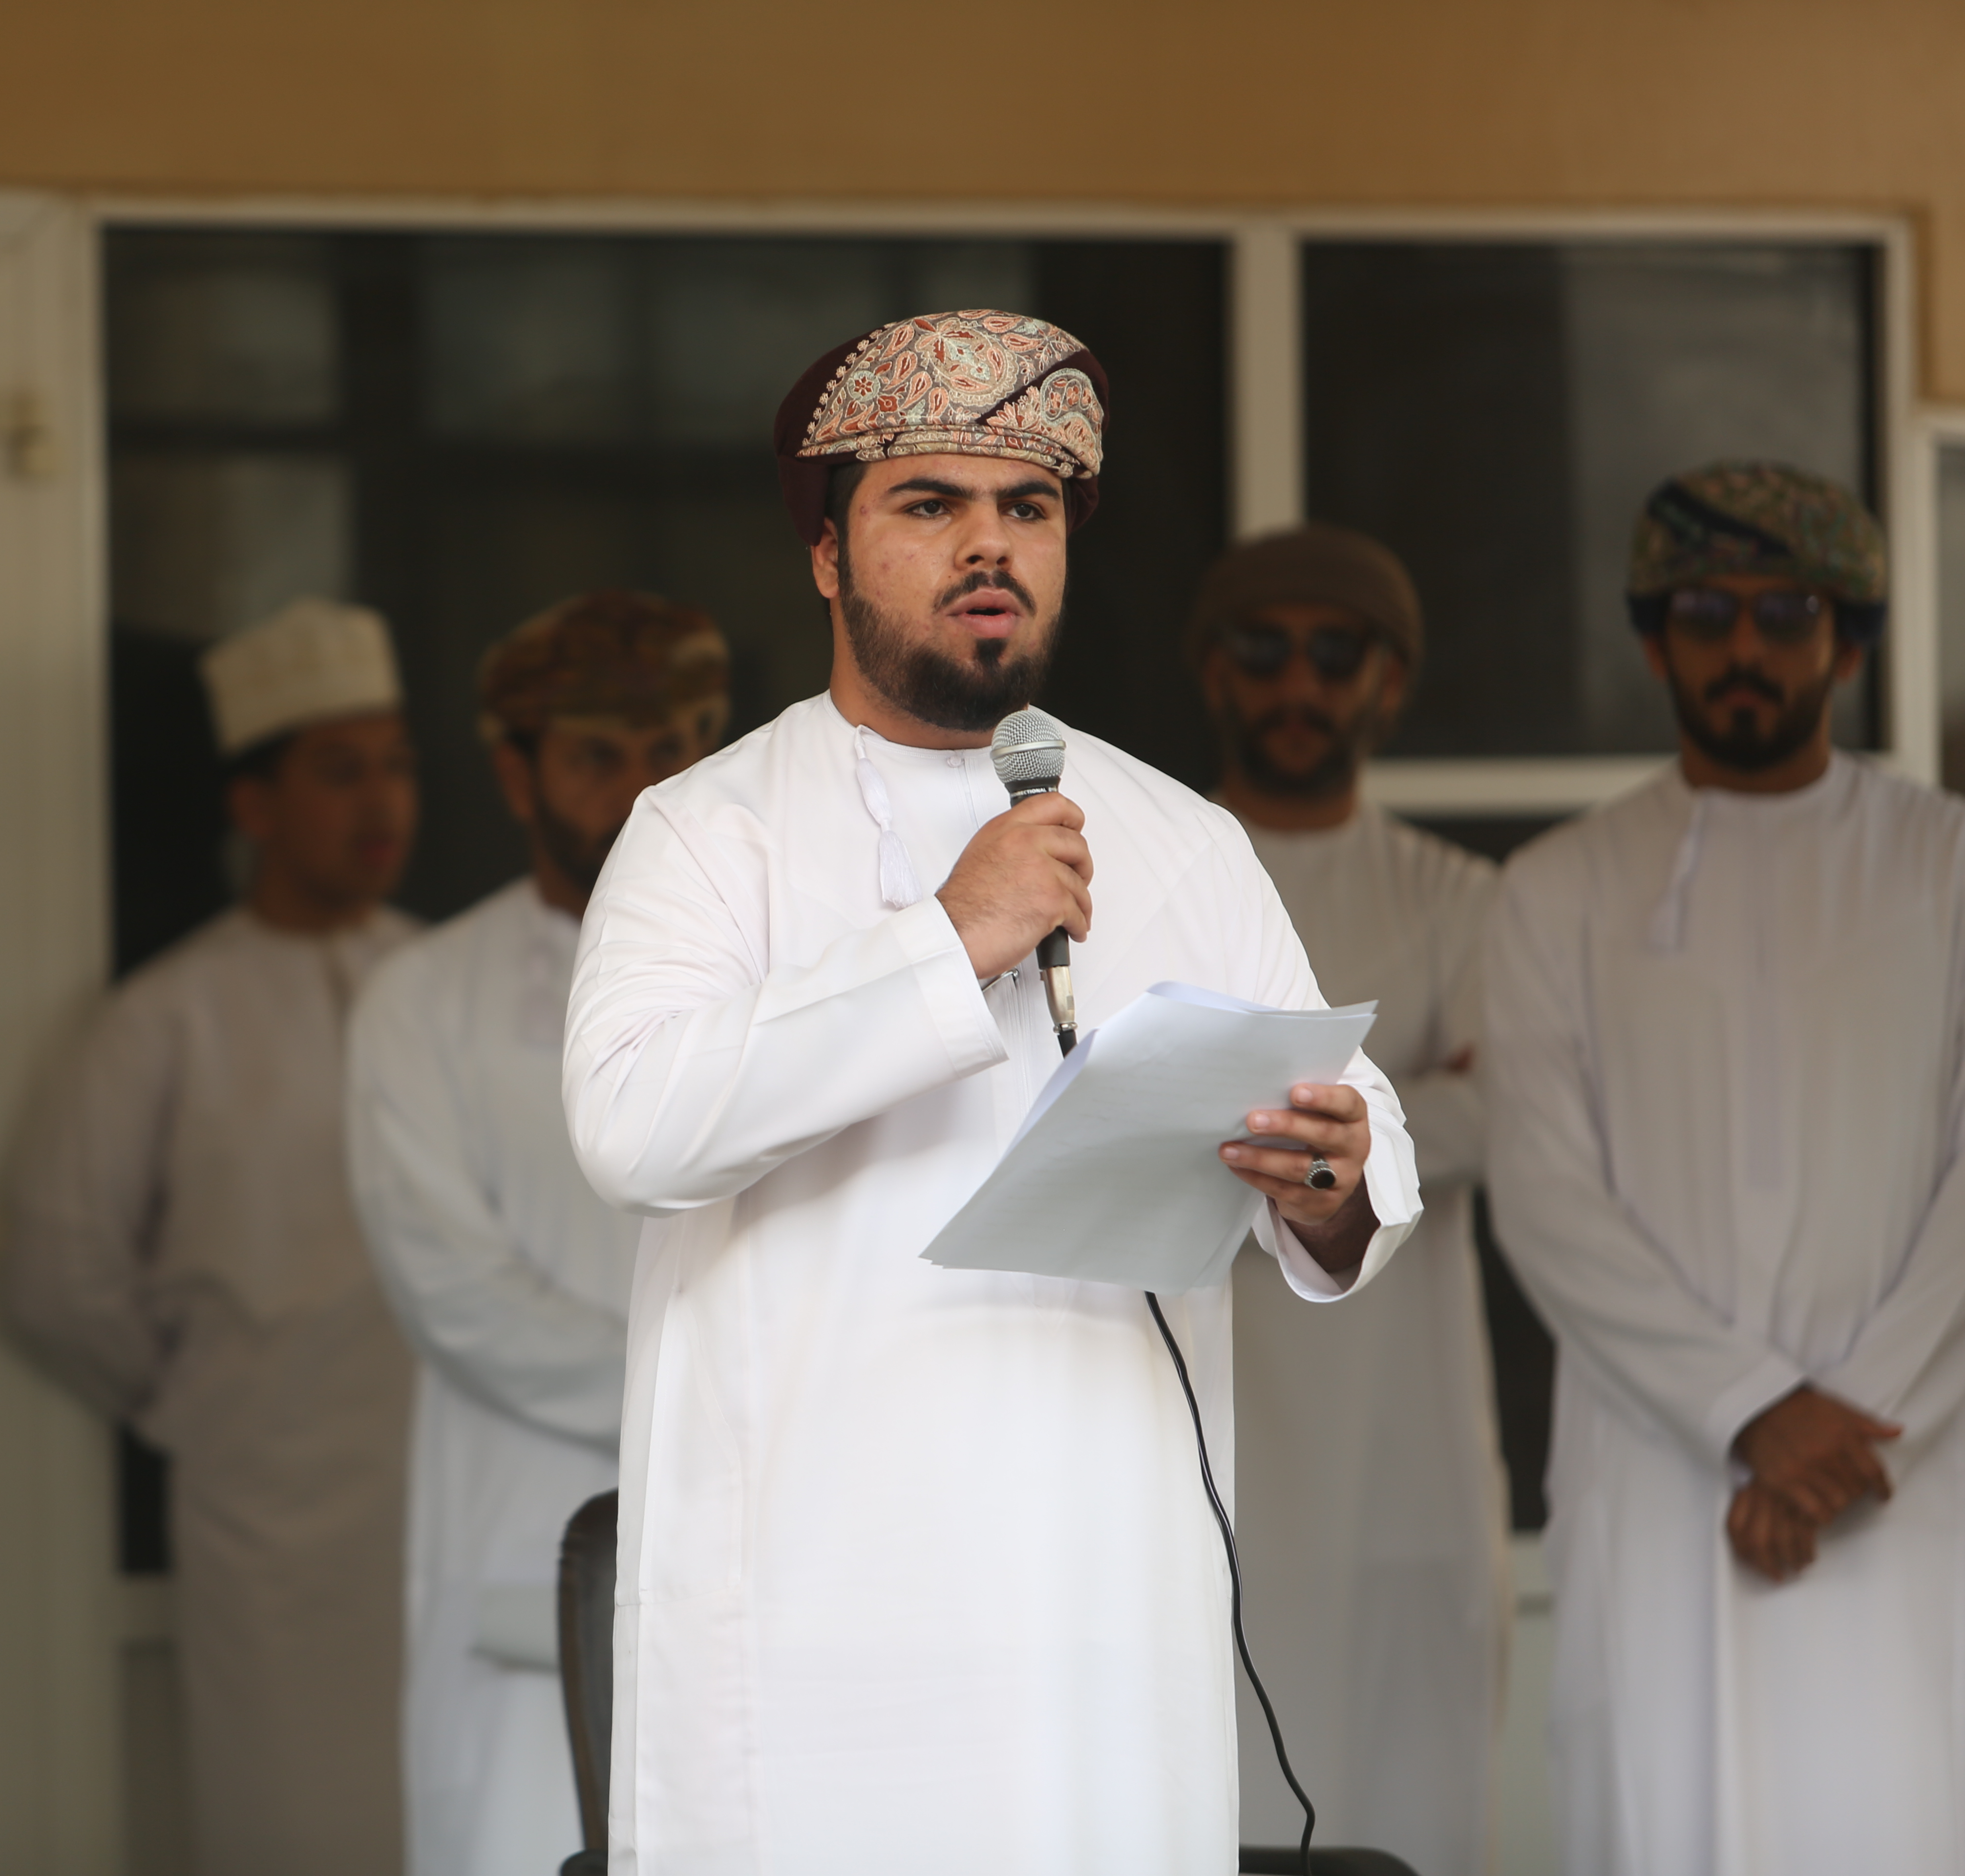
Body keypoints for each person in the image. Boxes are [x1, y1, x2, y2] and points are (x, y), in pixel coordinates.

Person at [561, 309, 1423, 1872]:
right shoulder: (707, 832)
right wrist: (948, 942)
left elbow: (1349, 1135)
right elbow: (632, 1127)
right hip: (816, 1627)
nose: (989, 545)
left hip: (1106, 1613)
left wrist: (1336, 1171)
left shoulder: (1180, 838)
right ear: (826, 554)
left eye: (1028, 506)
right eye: (928, 503)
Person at [1487, 461, 1965, 1873]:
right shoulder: (1555, 888)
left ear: (1850, 643)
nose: (1745, 647)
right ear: (1655, 643)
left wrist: (1845, 1427)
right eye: (1705, 614)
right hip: (1665, 1478)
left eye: (1787, 613)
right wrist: (1750, 1410)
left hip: (1902, 1471)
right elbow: (1545, 1199)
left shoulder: (1958, 868)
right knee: (1665, 1813)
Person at [7, 595, 421, 1876]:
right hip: (267, 1522)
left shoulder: (449, 986)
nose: (381, 804)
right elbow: (57, 1268)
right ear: (255, 804)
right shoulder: (167, 1019)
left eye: (397, 767)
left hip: (456, 1498)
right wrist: (206, 1400)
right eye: (340, 772)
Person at [346, 591, 730, 1876]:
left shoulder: (796, 977)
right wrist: (715, 1389)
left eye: (675, 747)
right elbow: (456, 1292)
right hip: (523, 1521)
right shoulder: (422, 1000)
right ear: (516, 776)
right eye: (598, 756)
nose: (645, 789)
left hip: (760, 1521)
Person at [1189, 526, 1507, 1874]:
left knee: (1405, 1804)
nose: (1297, 684)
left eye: (1333, 654)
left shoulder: (1461, 898)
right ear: (1213, 673)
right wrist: (1380, 1105)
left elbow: (1501, 1114)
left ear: (1389, 681)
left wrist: (1234, 1118)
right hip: (1203, 1448)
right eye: (1263, 651)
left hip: (1403, 1453)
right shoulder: (1157, 876)